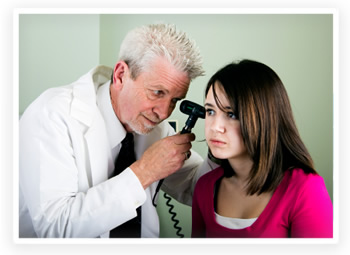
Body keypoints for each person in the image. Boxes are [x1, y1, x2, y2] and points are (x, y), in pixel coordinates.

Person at [19, 23, 211, 238]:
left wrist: (222, 142)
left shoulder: (154, 127)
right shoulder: (52, 115)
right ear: (120, 75)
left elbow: (198, 184)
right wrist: (145, 171)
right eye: (157, 92)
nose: (164, 113)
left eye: (175, 100)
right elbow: (55, 228)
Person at [191, 59, 333, 238]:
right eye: (210, 111)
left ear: (264, 119)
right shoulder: (205, 187)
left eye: (232, 114)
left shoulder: (305, 189)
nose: (215, 127)